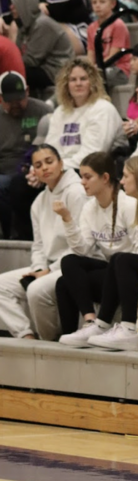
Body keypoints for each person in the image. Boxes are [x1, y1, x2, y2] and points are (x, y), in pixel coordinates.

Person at [54, 154, 138, 351]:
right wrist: (67, 219)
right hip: (121, 268)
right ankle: (89, 325)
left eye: (125, 176)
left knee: (120, 259)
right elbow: (82, 250)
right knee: (68, 266)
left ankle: (126, 327)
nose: (121, 181)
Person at [0, 143, 86, 340]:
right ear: (34, 171)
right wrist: (39, 268)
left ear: (61, 163)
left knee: (36, 290)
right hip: (47, 266)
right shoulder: (39, 201)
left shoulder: (76, 192)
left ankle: (49, 343)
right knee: (1, 287)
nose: (44, 168)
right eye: (38, 165)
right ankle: (26, 337)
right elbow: (38, 245)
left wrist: (51, 270)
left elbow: (83, 244)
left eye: (49, 162)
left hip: (73, 264)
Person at [44, 57, 127, 171]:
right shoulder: (60, 112)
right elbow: (50, 149)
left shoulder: (103, 109)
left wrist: (55, 168)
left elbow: (91, 156)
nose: (78, 83)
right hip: (61, 169)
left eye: (83, 79)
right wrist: (41, 169)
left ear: (92, 82)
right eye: (73, 79)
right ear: (66, 85)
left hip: (90, 171)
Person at [0, 70, 49, 238]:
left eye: (19, 99)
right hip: (4, 170)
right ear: (0, 98)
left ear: (27, 91)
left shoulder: (43, 111)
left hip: (34, 167)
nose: (15, 104)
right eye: (9, 101)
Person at [9, 0, 73, 94]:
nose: (11, 7)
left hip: (56, 71)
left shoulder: (43, 24)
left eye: (15, 4)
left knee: (14, 74)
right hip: (41, 68)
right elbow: (18, 53)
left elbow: (31, 60)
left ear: (25, 4)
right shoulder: (24, 23)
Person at [86, 0, 131, 88]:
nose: (97, 5)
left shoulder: (118, 25)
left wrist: (94, 70)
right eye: (94, 2)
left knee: (92, 78)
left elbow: (113, 57)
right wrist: (88, 68)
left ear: (112, 4)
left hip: (119, 70)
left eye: (102, 2)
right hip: (100, 68)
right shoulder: (91, 28)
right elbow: (90, 54)